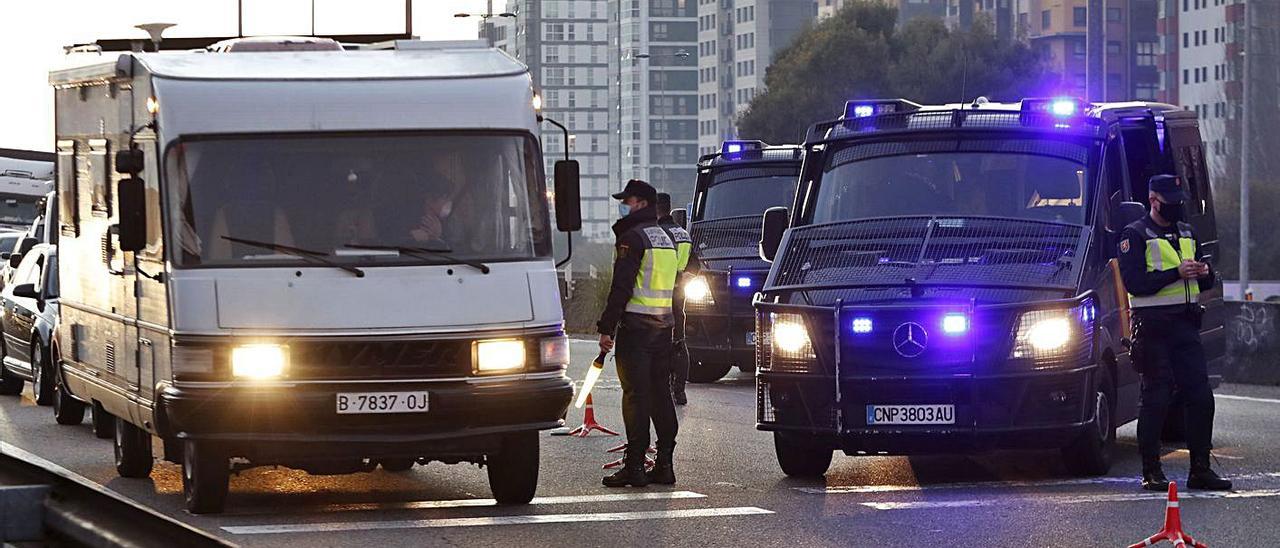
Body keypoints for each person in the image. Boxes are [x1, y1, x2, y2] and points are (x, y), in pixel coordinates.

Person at [1119, 174, 1232, 492]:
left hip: (1185, 325)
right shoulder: (1134, 234)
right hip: (1153, 328)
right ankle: (1151, 471)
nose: (1175, 207)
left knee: (1200, 396)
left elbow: (1202, 281)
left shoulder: (1187, 232)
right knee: (1155, 399)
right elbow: (1136, 284)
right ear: (1153, 200)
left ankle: (1200, 469)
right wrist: (1175, 273)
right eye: (1169, 202)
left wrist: (1205, 272)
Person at [597, 180, 680, 487]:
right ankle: (665, 465)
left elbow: (621, 287)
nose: (624, 206)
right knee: (660, 394)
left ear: (642, 203)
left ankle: (634, 468)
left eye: (628, 201)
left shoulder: (633, 238)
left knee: (636, 396)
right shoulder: (666, 238)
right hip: (664, 327)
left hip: (637, 329)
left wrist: (606, 328)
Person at [656, 193, 700, 405]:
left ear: (657, 209)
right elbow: (695, 266)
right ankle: (679, 391)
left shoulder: (658, 235)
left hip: (658, 299)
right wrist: (681, 280)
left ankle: (663, 389)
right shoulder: (683, 234)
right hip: (678, 298)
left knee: (660, 345)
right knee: (679, 344)